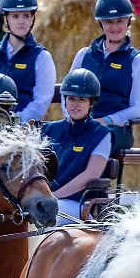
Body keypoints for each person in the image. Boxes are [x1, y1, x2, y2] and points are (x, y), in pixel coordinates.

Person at [65, 0, 140, 155]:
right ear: (100, 23)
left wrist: (106, 121)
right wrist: (74, 118)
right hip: (79, 123)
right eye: (109, 22)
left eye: (120, 21)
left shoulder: (139, 61)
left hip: (115, 130)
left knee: (94, 138)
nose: (114, 27)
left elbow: (139, 108)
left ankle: (88, 180)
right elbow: (66, 93)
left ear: (128, 21)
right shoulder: (83, 55)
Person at [41, 68, 112, 222]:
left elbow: (91, 174)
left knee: (45, 218)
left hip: (76, 203)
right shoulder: (48, 129)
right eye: (72, 98)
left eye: (82, 100)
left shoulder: (101, 134)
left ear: (91, 103)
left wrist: (53, 197)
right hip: (42, 199)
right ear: (65, 100)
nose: (76, 104)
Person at [0, 0, 56, 124]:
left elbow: (41, 101)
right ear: (6, 19)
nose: (21, 21)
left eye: (26, 16)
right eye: (15, 16)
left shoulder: (42, 57)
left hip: (23, 129)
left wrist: (15, 121)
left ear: (33, 18)